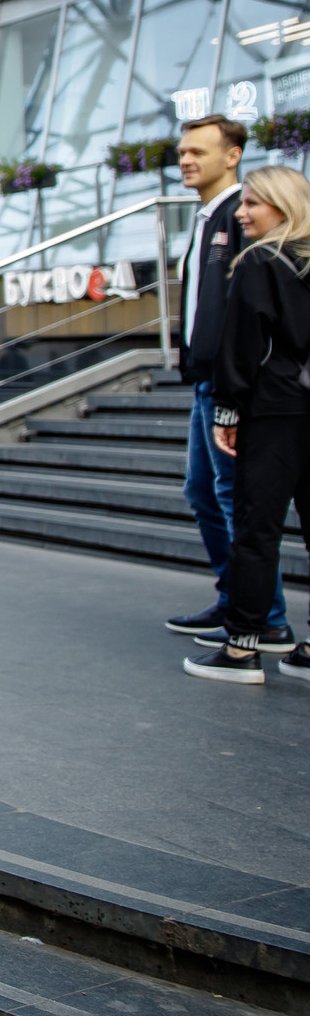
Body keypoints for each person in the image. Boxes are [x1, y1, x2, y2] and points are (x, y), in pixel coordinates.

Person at [165, 117, 295, 648]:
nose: (186, 160)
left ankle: (263, 616)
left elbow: (250, 315)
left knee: (231, 496)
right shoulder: (206, 218)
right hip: (207, 379)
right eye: (182, 152)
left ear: (233, 155)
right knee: (204, 492)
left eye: (198, 151)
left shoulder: (242, 215)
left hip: (232, 387)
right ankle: (237, 601)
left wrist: (233, 392)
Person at [189, 165, 310, 682]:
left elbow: (241, 346)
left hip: (273, 412)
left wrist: (227, 410)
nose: (242, 212)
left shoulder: (261, 261)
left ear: (282, 206)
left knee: (256, 529)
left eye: (253, 203)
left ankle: (242, 649)